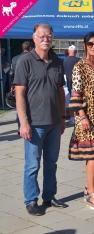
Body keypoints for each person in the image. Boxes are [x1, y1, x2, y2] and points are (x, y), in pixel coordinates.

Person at [14, 23, 68, 216]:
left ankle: (49, 196)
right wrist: (24, 123)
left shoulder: (57, 62)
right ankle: (31, 200)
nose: (46, 39)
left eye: (49, 36)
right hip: (34, 124)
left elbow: (61, 92)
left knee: (51, 163)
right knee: (32, 165)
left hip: (54, 122)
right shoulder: (25, 61)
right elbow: (20, 94)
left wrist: (63, 118)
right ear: (34, 38)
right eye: (42, 36)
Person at [68, 31, 94, 211]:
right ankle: (90, 192)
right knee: (93, 155)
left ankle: (88, 187)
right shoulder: (79, 66)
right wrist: (82, 115)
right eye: (91, 44)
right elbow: (76, 93)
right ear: (85, 45)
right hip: (87, 116)